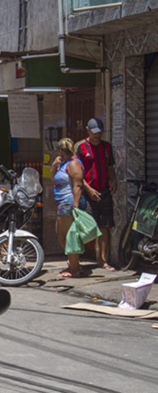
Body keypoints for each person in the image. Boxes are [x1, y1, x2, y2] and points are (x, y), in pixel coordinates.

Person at [75, 118, 117, 271]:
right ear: (88, 131)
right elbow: (78, 173)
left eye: (99, 133)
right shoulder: (81, 147)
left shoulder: (107, 147)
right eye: (94, 133)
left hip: (105, 192)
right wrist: (89, 190)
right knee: (87, 228)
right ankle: (75, 259)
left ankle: (103, 260)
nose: (97, 136)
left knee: (105, 227)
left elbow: (110, 167)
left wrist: (113, 181)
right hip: (88, 194)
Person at [52, 138, 86, 278]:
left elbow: (78, 185)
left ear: (61, 150)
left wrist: (76, 206)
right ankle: (74, 263)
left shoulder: (73, 164)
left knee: (69, 236)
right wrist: (54, 166)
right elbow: (53, 178)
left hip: (69, 202)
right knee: (61, 234)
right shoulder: (64, 163)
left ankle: (74, 268)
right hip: (62, 202)